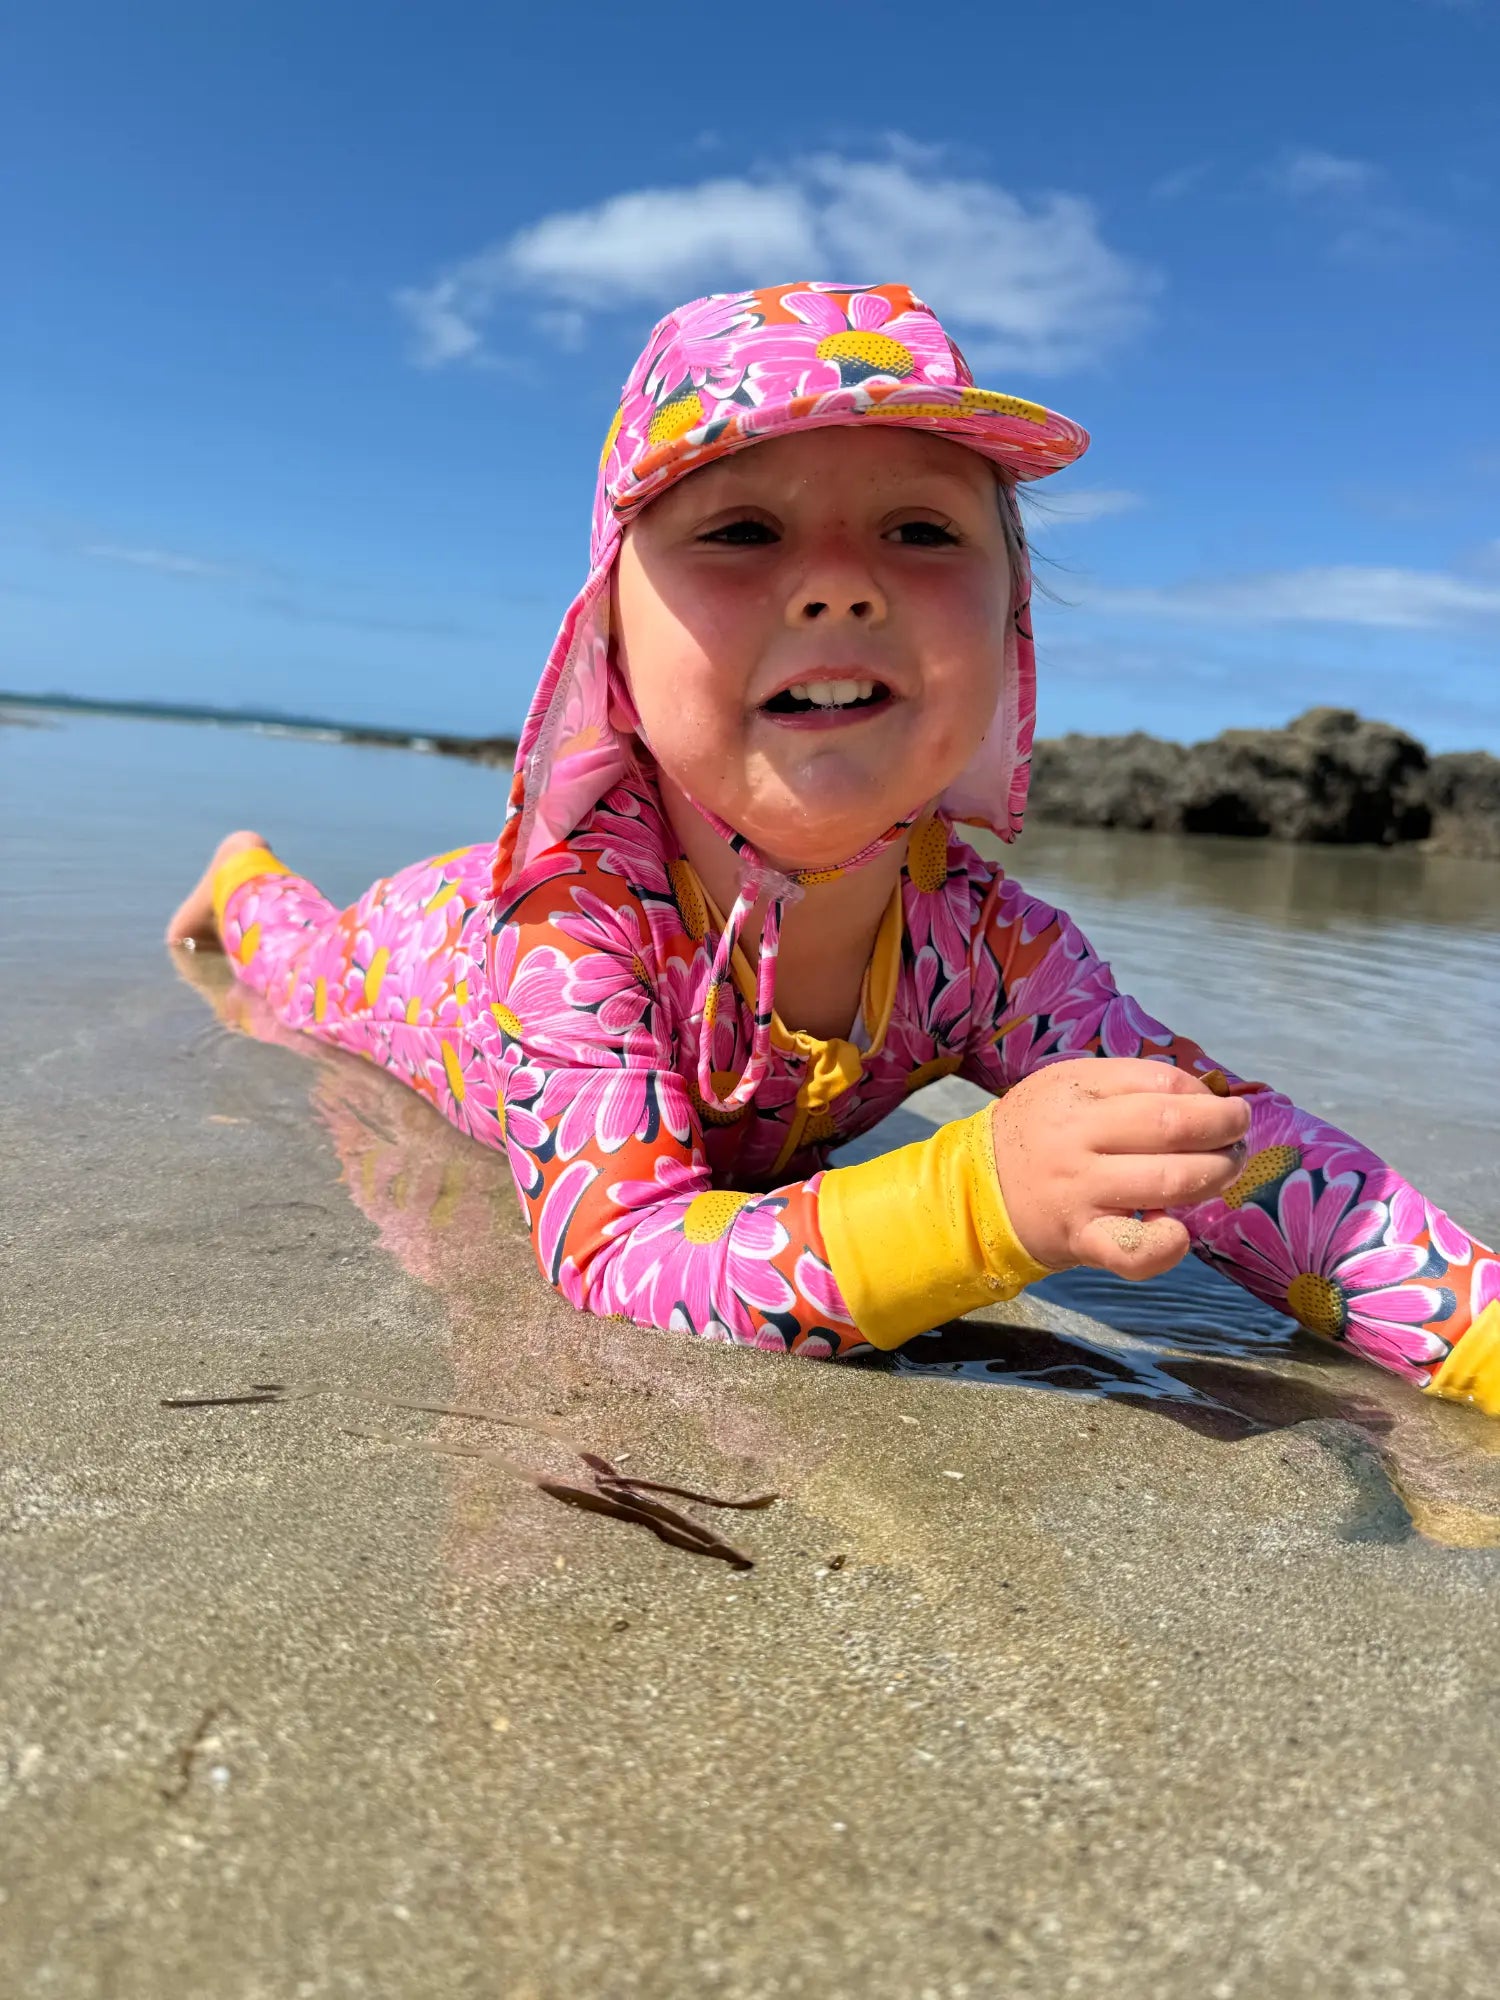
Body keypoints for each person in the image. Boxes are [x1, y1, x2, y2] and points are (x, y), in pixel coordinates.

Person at [168, 281, 1499, 1413]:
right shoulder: (571, 926)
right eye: (741, 530)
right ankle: (244, 873)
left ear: (1011, 626)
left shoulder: (991, 948)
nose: (840, 585)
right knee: (296, 966)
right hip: (425, 953)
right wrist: (975, 1203)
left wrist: (1482, 1340)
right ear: (610, 638)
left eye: (921, 531)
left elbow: (1238, 1155)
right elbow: (616, 1256)